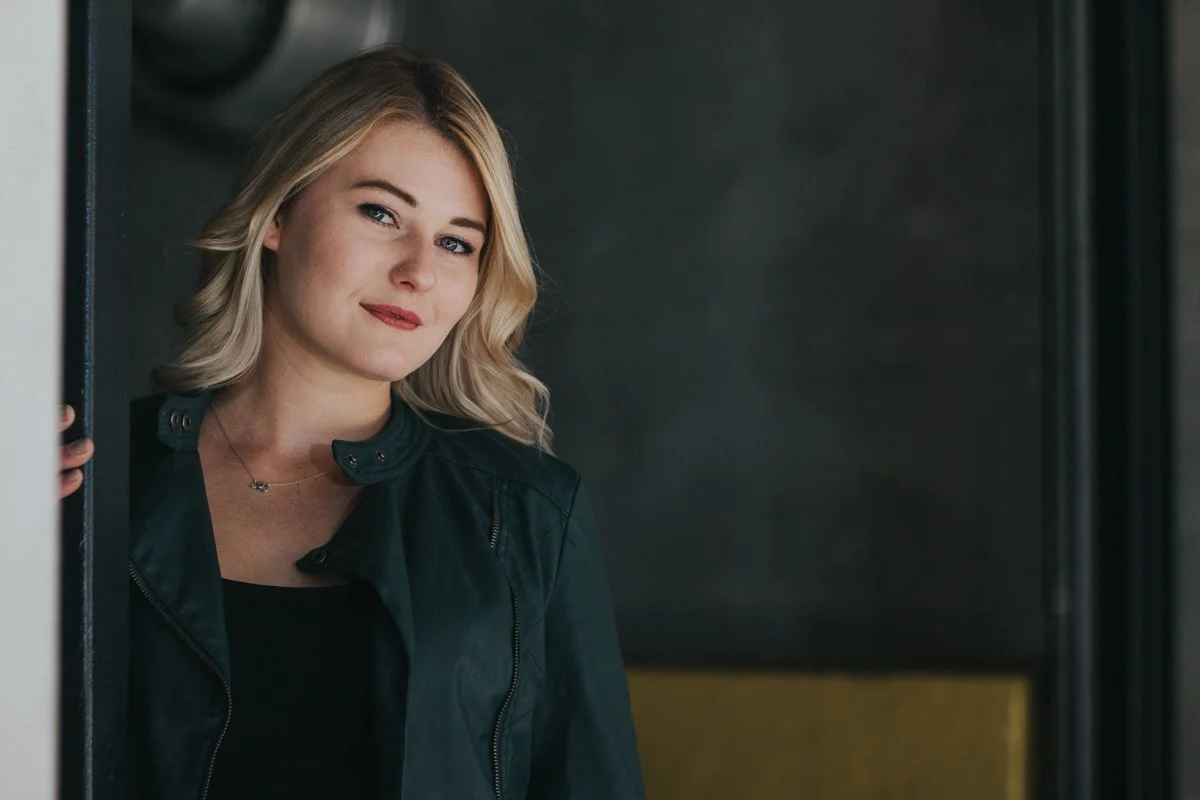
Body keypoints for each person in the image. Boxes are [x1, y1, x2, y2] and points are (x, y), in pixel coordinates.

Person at [61, 46, 643, 799]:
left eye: (456, 242)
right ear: (276, 214)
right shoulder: (99, 468)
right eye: (381, 213)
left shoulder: (526, 511)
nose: (418, 271)